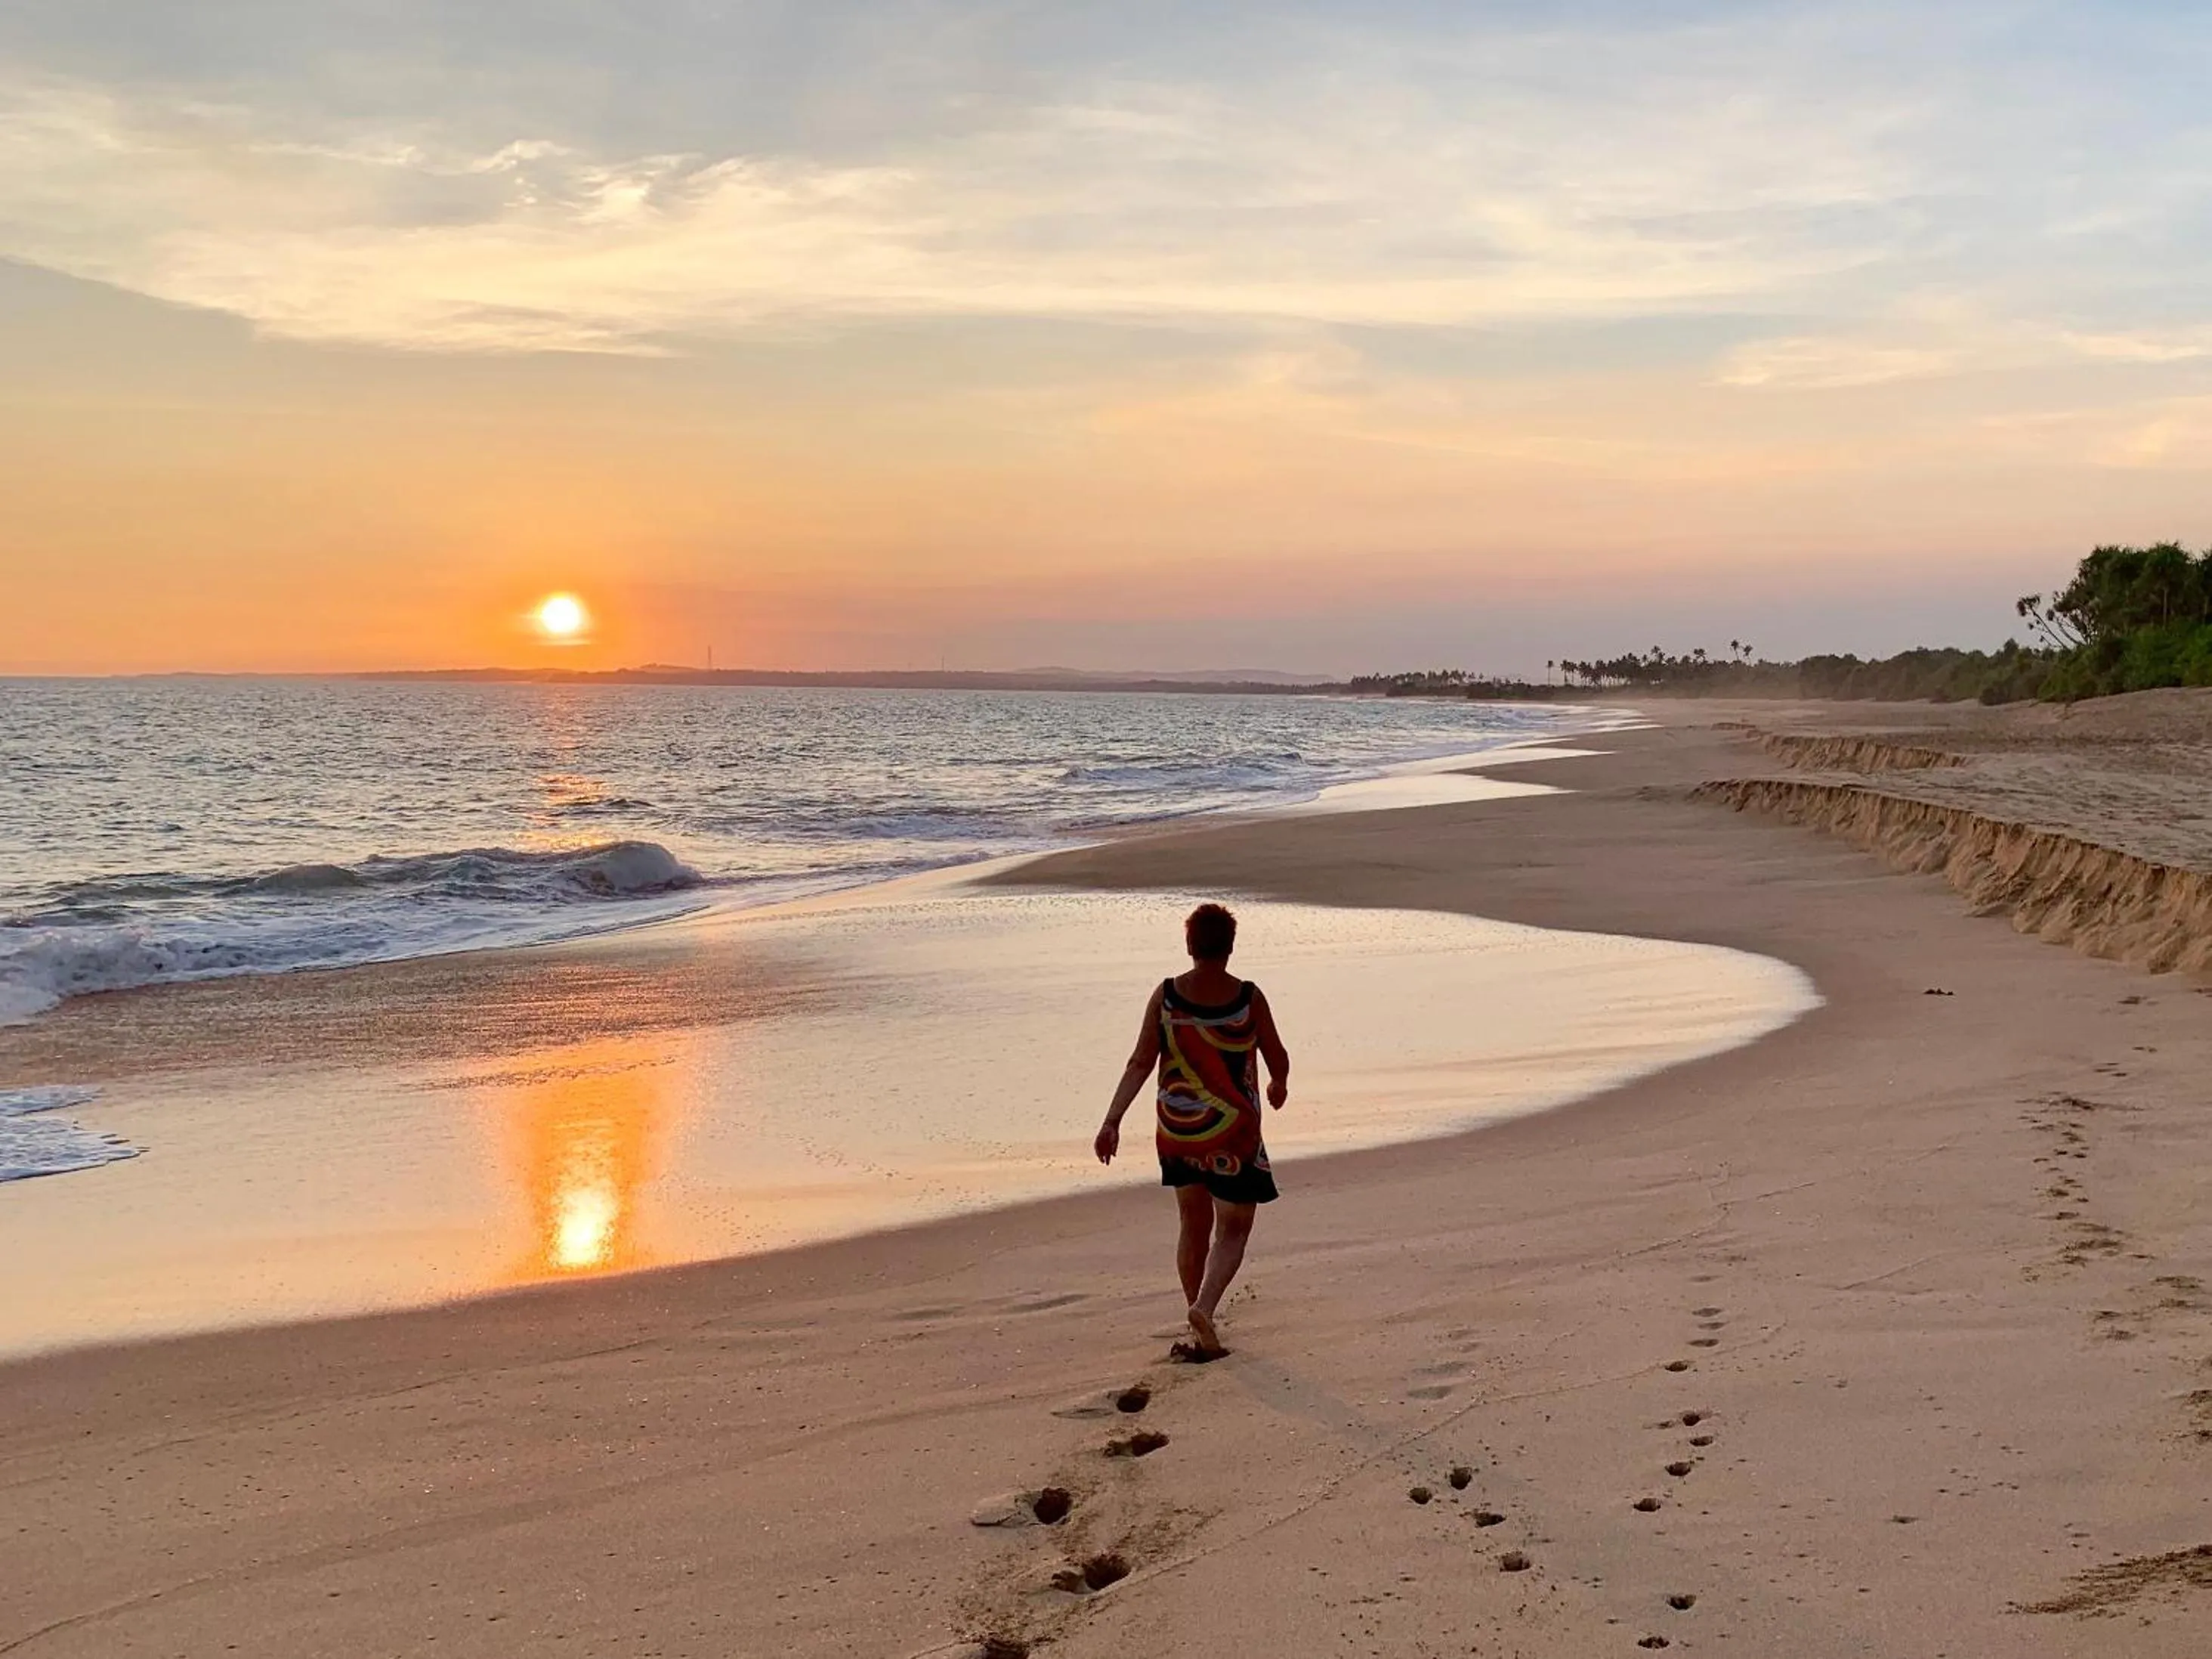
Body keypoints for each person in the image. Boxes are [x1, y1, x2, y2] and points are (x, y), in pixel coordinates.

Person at [1094, 902, 1290, 1358]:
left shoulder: (1166, 997)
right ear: (1230, 947)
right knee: (1234, 1228)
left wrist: (1112, 1120)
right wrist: (1278, 1083)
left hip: (1178, 1130)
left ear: (1189, 945)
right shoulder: (1248, 997)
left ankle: (1197, 1316)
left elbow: (1140, 1062)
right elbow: (1276, 1055)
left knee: (1192, 1223)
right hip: (1233, 1132)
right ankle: (1204, 1307)